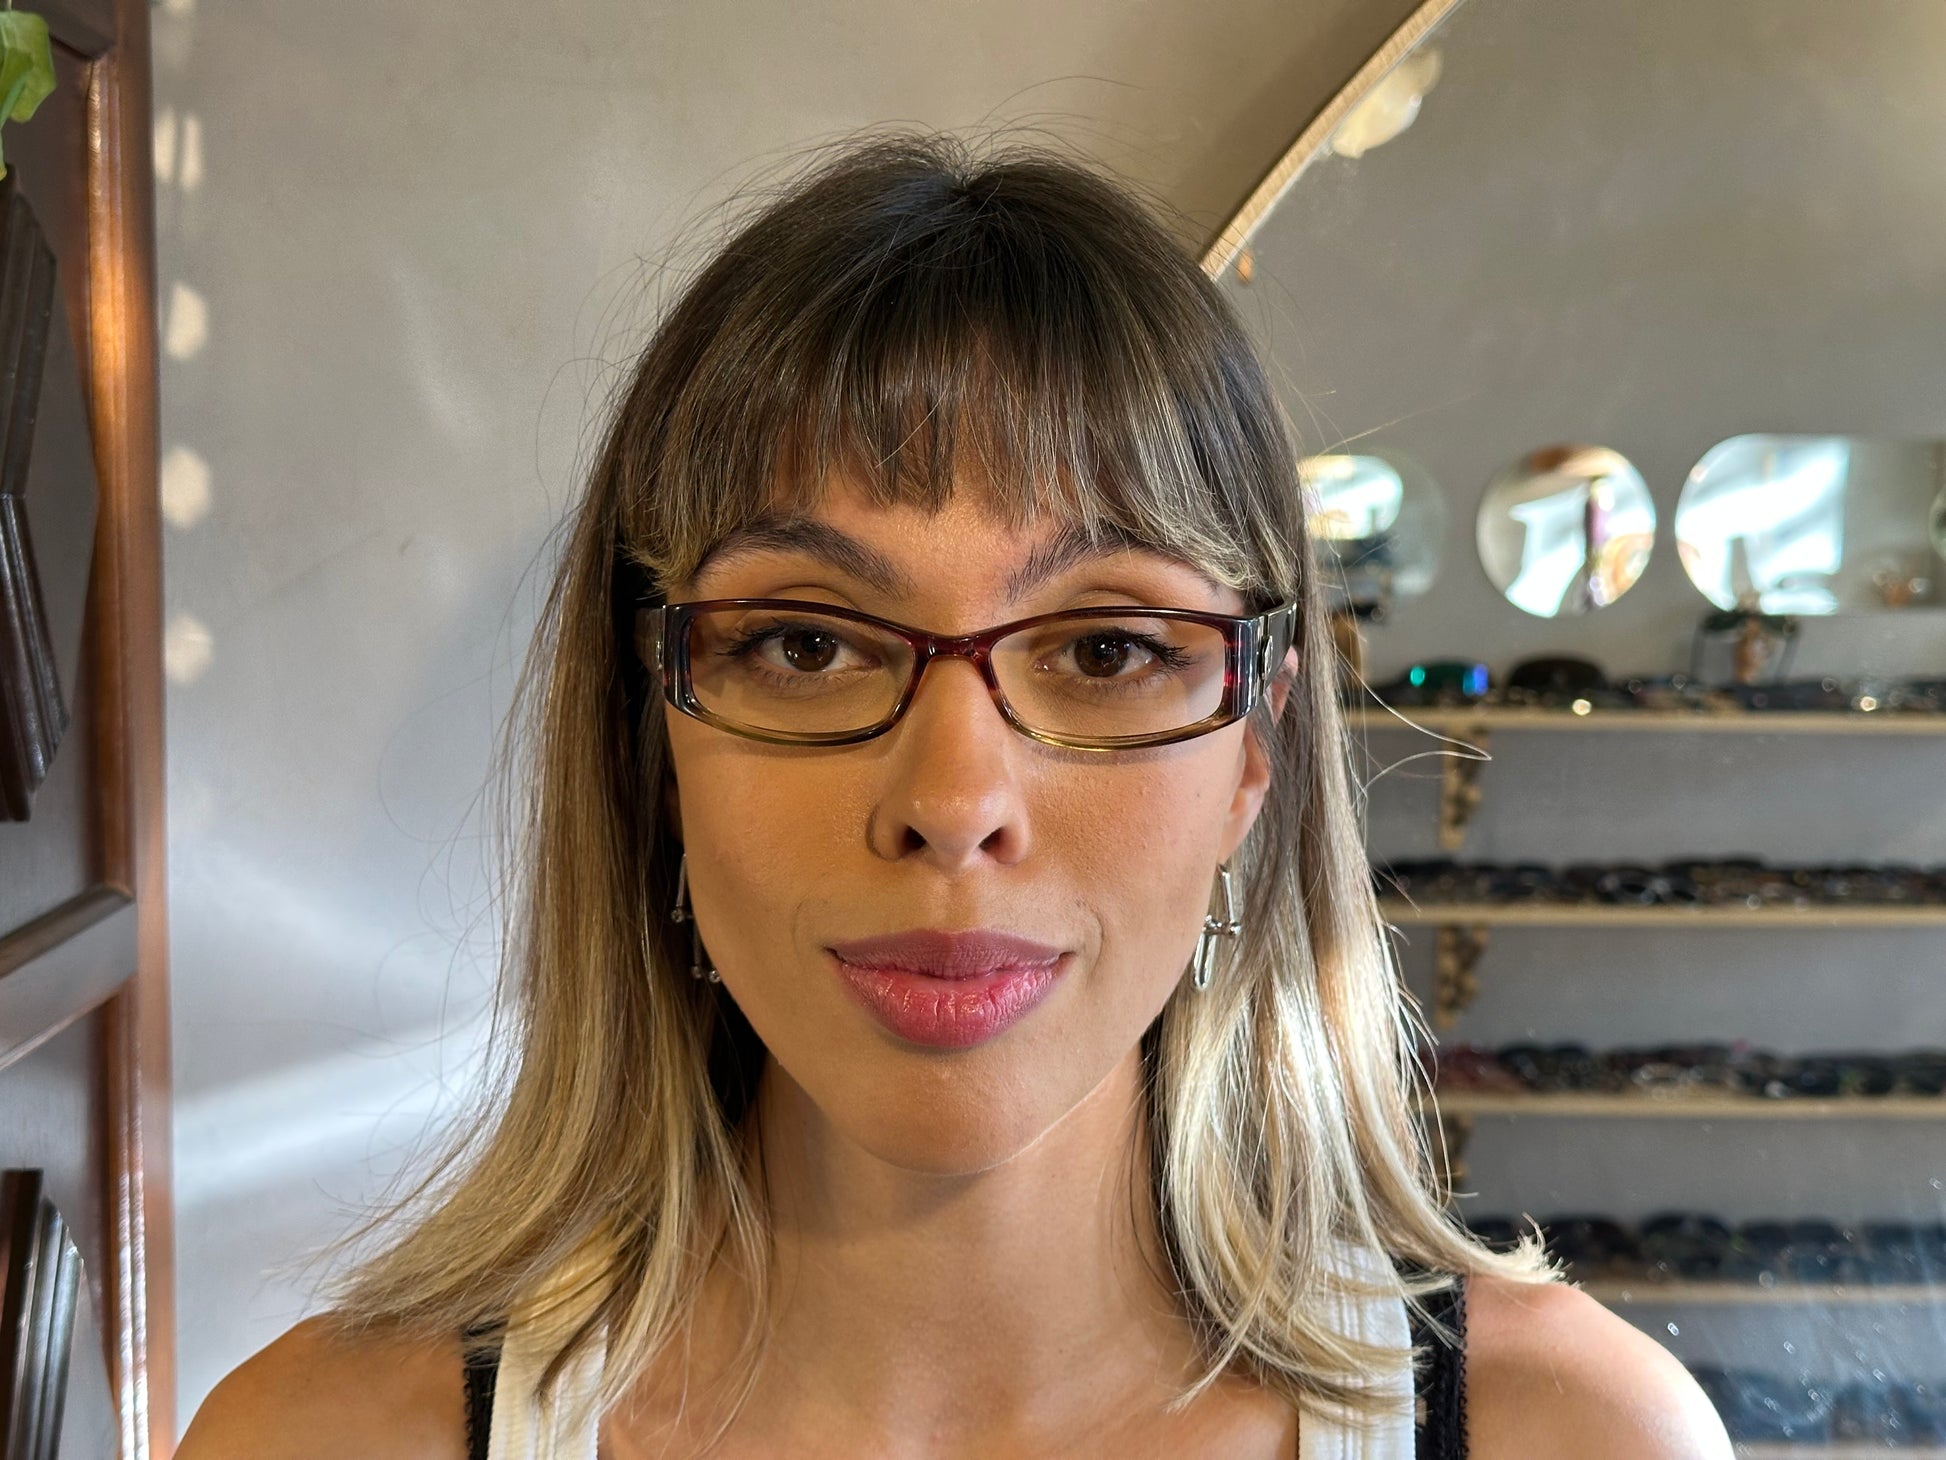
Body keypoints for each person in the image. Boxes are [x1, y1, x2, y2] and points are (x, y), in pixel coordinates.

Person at [178, 134, 1730, 1459]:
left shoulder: (1574, 1435)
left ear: (1254, 754)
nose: (953, 799)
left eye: (1106, 649)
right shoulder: (314, 1439)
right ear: (649, 742)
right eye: (805, 643)